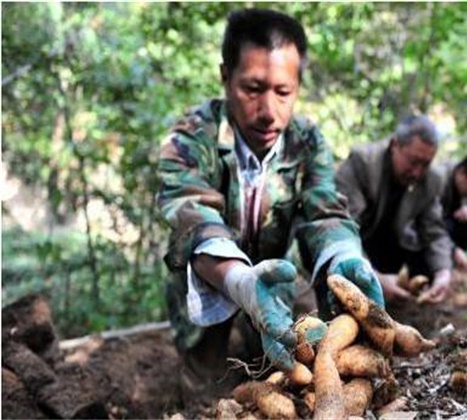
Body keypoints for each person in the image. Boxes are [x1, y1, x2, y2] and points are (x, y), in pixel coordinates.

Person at [155, 8, 383, 403]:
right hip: (211, 277)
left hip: (277, 275)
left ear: (297, 86)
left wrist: (345, 253)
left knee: (300, 365)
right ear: (225, 78)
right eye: (252, 89)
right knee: (206, 385)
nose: (268, 111)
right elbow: (192, 217)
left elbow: (324, 209)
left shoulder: (307, 140)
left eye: (283, 92)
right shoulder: (192, 138)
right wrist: (241, 283)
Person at [335, 115, 455, 305]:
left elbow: (434, 231)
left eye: (425, 164)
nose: (417, 172)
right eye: (413, 162)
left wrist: (443, 272)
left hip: (388, 244)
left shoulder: (432, 180)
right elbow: (341, 229)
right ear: (394, 145)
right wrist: (370, 276)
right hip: (351, 243)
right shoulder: (361, 163)